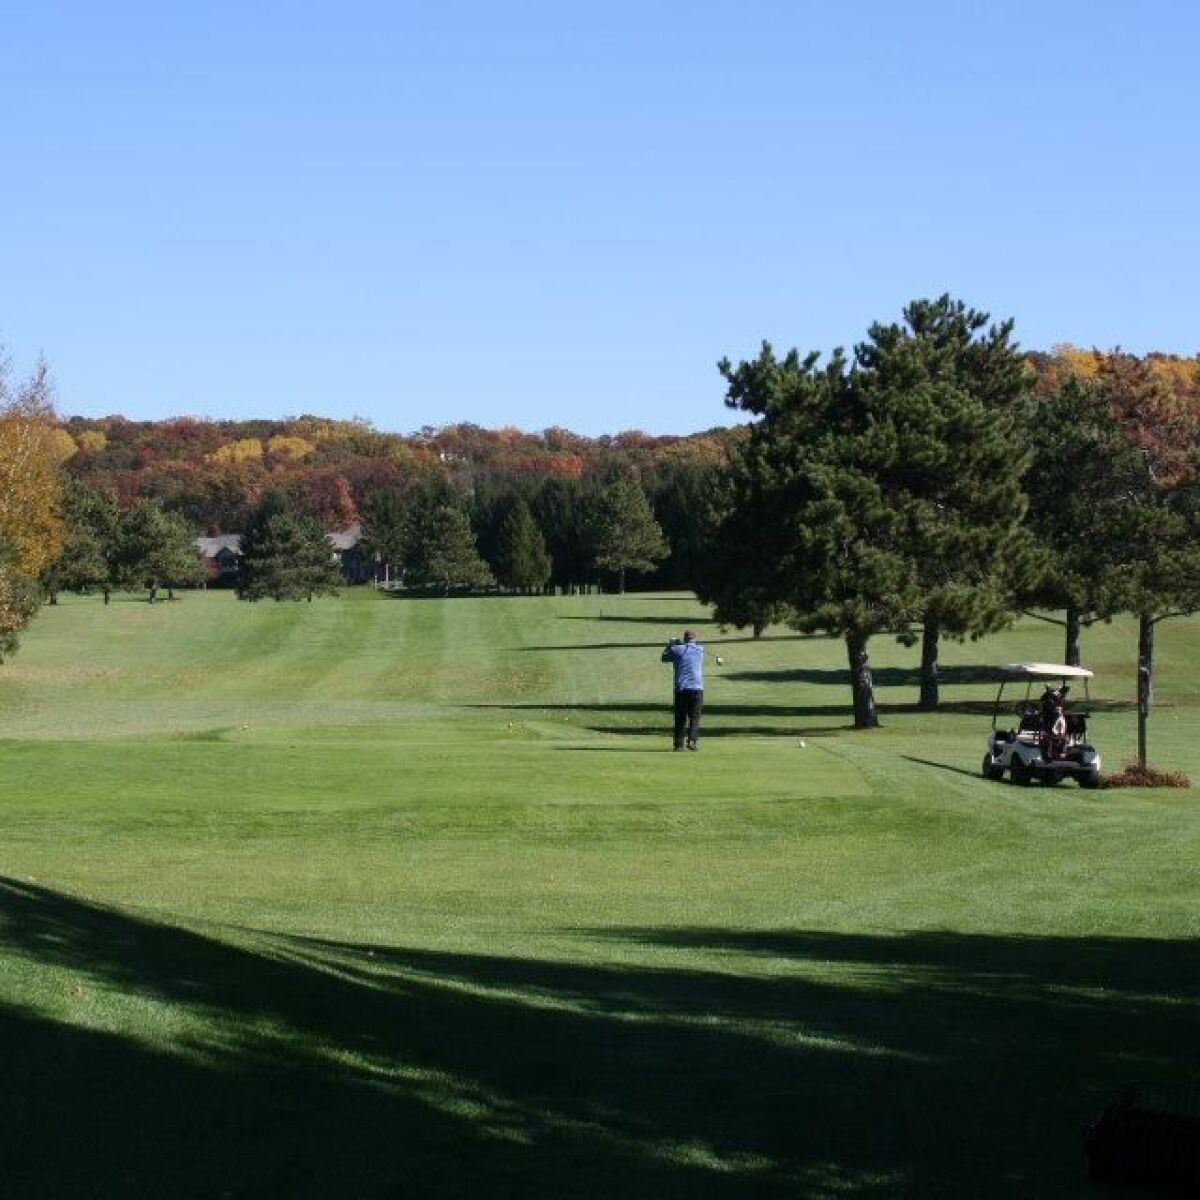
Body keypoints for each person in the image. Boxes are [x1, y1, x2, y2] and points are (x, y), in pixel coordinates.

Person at [661, 629, 705, 750]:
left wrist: (670, 644)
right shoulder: (700, 650)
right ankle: (692, 741)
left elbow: (663, 657)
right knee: (695, 717)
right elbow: (689, 647)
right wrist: (680, 644)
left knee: (680, 718)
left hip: (681, 689)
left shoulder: (676, 649)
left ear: (685, 638)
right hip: (697, 688)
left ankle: (679, 745)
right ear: (695, 639)